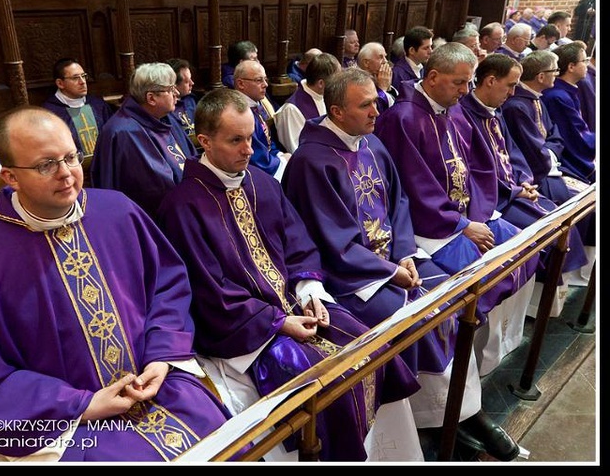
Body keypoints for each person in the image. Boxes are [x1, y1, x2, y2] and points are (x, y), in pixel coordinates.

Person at [0, 106, 237, 462]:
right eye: (46, 165)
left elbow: (167, 286)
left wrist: (162, 355)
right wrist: (83, 405)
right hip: (64, 424)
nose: (66, 174)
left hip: (153, 383)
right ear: (10, 177)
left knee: (222, 433)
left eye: (71, 157)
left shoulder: (118, 212)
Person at [156, 88, 425, 462]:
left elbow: (299, 244)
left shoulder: (263, 183)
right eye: (236, 140)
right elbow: (209, 292)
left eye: (251, 137)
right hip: (247, 331)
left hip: (297, 305)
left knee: (370, 348)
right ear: (204, 140)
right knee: (320, 379)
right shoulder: (182, 206)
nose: (249, 150)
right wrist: (280, 322)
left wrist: (311, 289)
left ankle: (390, 454)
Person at [282, 68, 522, 462]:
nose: (377, 111)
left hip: (393, 263)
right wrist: (389, 270)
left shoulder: (372, 144)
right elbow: (330, 237)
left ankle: (462, 412)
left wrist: (405, 254)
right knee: (414, 315)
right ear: (338, 112)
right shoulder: (313, 162)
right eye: (366, 105)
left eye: (376, 101)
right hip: (349, 278)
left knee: (451, 297)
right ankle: (434, 419)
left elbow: (399, 205)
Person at [375, 42, 538, 377]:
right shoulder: (402, 118)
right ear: (433, 77)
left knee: (525, 248)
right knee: (483, 277)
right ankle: (469, 367)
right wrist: (462, 224)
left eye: (469, 82)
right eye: (460, 83)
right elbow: (413, 186)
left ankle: (496, 351)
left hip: (467, 216)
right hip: (429, 226)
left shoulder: (456, 109)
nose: (466, 91)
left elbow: (477, 165)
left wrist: (478, 213)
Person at [459, 53, 587, 316]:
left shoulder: (495, 112)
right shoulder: (464, 115)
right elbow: (475, 170)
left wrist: (525, 179)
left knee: (558, 220)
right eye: (510, 85)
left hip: (514, 189)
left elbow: (512, 152)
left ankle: (541, 306)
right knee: (544, 236)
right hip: (494, 199)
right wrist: (517, 189)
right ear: (491, 81)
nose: (514, 91)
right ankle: (531, 311)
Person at [502, 50, 595, 289]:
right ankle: (552, 286)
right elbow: (528, 147)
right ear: (541, 76)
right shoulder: (516, 106)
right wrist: (548, 157)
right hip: (536, 174)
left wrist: (552, 152)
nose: (557, 75)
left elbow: (554, 135)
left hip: (549, 164)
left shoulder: (538, 98)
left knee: (587, 201)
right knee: (564, 214)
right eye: (554, 71)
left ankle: (574, 278)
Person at [90, 62, 197, 216]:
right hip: (153, 219)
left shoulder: (165, 118)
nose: (177, 94)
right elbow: (154, 189)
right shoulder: (123, 132)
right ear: (151, 98)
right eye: (170, 89)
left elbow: (190, 157)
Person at [541, 41, 595, 185]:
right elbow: (577, 137)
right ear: (571, 67)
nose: (587, 65)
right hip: (565, 163)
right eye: (584, 61)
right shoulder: (558, 97)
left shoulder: (565, 91)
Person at [42, 58, 113, 156]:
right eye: (75, 78)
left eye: (83, 76)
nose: (82, 82)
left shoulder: (98, 105)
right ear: (60, 83)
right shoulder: (49, 114)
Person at [234, 59, 290, 180]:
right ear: (241, 84)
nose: (265, 84)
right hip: (255, 173)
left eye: (265, 79)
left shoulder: (256, 104)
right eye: (259, 80)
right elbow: (256, 156)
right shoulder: (239, 113)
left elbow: (267, 140)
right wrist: (282, 161)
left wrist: (279, 155)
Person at [274, 52, 341, 153]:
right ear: (321, 84)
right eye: (336, 81)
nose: (339, 85)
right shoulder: (292, 110)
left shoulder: (326, 96)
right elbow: (297, 151)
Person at [356, 42, 398, 114]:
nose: (386, 61)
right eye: (381, 57)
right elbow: (374, 113)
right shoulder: (357, 82)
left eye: (385, 57)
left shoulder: (378, 77)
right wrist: (382, 89)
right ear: (366, 63)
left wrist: (388, 88)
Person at [165, 57, 198, 143]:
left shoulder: (190, 100)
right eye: (187, 81)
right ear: (174, 85)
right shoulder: (165, 109)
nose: (192, 83)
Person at [391, 25, 433, 91]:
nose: (430, 51)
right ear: (412, 50)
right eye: (426, 48)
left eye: (431, 46)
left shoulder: (425, 68)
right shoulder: (397, 74)